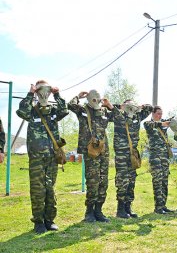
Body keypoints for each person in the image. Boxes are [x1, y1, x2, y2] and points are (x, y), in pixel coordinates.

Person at [16, 80, 68, 234]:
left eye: (46, 90)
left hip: (52, 156)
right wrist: (30, 93)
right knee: (38, 189)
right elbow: (22, 111)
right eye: (41, 90)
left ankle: (49, 220)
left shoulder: (53, 111)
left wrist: (57, 94)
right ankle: (38, 222)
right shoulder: (32, 111)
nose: (44, 93)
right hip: (37, 158)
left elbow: (64, 110)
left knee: (50, 188)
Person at [68, 90, 121, 222]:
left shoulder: (103, 112)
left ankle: (99, 211)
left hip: (103, 149)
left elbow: (120, 119)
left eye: (98, 99)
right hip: (90, 150)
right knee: (93, 181)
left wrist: (110, 106)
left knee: (103, 181)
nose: (96, 101)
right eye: (94, 99)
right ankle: (89, 212)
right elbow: (70, 105)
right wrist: (78, 96)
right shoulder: (83, 110)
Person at [112, 100, 153, 218]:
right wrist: (121, 106)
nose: (131, 106)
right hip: (121, 152)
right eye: (129, 104)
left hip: (132, 153)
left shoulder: (137, 116)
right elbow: (110, 107)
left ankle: (128, 207)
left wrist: (140, 106)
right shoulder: (118, 114)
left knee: (131, 180)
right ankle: (120, 209)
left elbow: (150, 108)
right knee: (122, 180)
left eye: (132, 104)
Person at [144, 106, 174, 214]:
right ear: (153, 114)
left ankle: (163, 205)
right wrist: (162, 123)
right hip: (155, 157)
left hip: (164, 157)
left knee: (164, 181)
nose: (160, 116)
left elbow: (171, 122)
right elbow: (148, 125)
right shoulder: (149, 124)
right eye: (158, 113)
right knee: (157, 181)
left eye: (161, 114)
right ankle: (158, 207)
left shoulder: (163, 124)